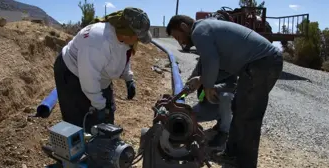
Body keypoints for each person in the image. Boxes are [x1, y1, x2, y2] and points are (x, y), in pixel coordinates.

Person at [166, 15, 283, 168]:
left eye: (178, 36)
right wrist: (200, 79)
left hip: (263, 63)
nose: (180, 41)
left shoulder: (199, 31)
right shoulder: (207, 28)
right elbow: (221, 65)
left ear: (184, 26)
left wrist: (207, 85)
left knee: (249, 116)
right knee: (240, 109)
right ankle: (232, 154)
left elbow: (211, 60)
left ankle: (245, 163)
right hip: (258, 64)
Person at [53, 7, 152, 133]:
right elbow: (89, 78)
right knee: (80, 122)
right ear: (127, 33)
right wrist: (98, 105)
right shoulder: (97, 41)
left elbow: (124, 56)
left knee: (107, 115)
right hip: (72, 73)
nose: (138, 41)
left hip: (97, 75)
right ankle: (82, 148)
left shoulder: (124, 37)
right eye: (137, 37)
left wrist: (128, 78)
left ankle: (104, 145)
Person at [188, 58, 237, 150]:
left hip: (223, 105)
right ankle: (220, 121)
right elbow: (190, 83)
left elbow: (233, 84)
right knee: (187, 118)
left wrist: (214, 88)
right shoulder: (203, 60)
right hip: (207, 105)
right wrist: (180, 97)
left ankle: (224, 133)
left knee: (226, 96)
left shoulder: (230, 59)